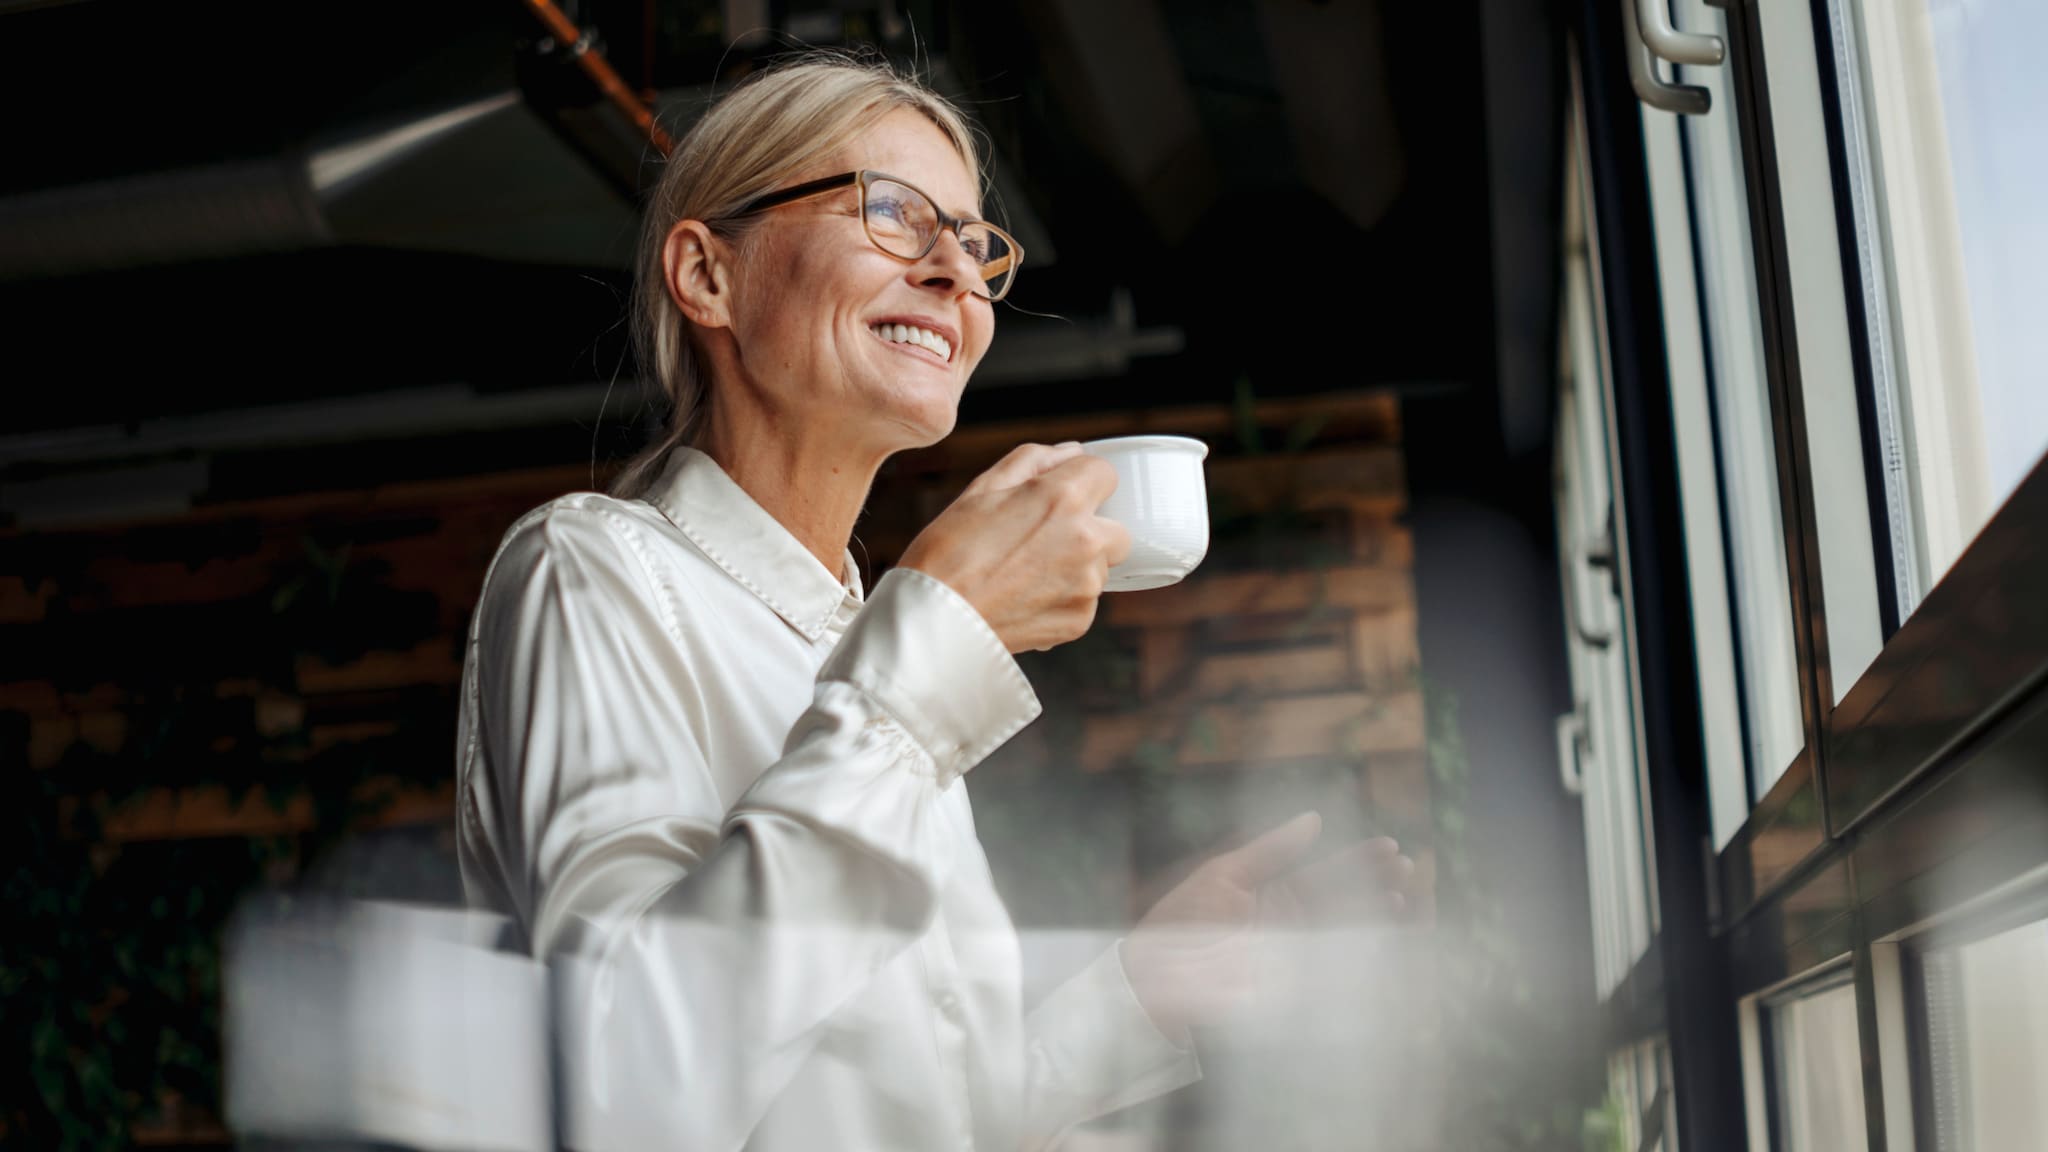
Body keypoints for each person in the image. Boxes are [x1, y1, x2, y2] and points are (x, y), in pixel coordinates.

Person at [454, 51, 1413, 1152]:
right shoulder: (590, 570)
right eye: (894, 213)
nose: (956, 273)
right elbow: (628, 1088)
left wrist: (1142, 990)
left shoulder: (875, 642)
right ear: (708, 275)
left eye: (973, 241)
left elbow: (916, 1116)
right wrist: (926, 661)